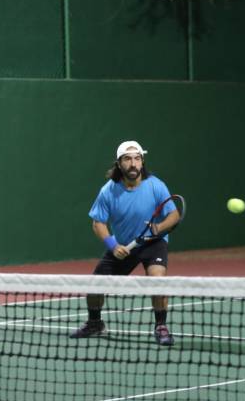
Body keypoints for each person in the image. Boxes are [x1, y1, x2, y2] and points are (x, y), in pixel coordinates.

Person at [70, 140, 181, 346]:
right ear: (119, 164)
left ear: (142, 162)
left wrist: (159, 228)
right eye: (128, 159)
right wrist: (113, 245)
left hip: (153, 242)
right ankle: (95, 323)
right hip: (123, 245)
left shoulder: (156, 185)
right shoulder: (108, 191)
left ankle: (161, 326)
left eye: (137, 159)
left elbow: (173, 215)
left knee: (157, 280)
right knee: (94, 286)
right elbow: (98, 223)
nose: (133, 164)